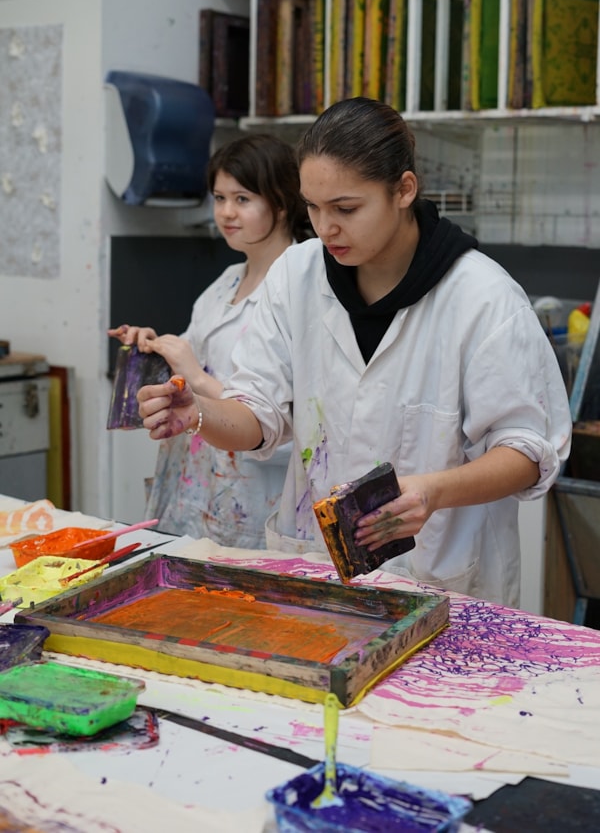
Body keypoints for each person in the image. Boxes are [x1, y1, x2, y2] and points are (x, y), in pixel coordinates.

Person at [136, 97, 572, 606]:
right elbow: (258, 413)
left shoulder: (483, 297)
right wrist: (199, 413)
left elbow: (527, 451)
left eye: (346, 209)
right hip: (316, 567)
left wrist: (432, 491)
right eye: (313, 207)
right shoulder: (296, 276)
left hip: (441, 580)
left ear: (403, 190)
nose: (326, 228)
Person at [109, 133, 309, 546]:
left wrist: (198, 377)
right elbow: (189, 358)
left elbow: (290, 426)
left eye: (242, 199)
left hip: (257, 498)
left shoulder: (304, 288)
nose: (226, 212)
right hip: (198, 485)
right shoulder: (226, 282)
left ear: (281, 202)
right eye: (219, 198)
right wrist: (153, 348)